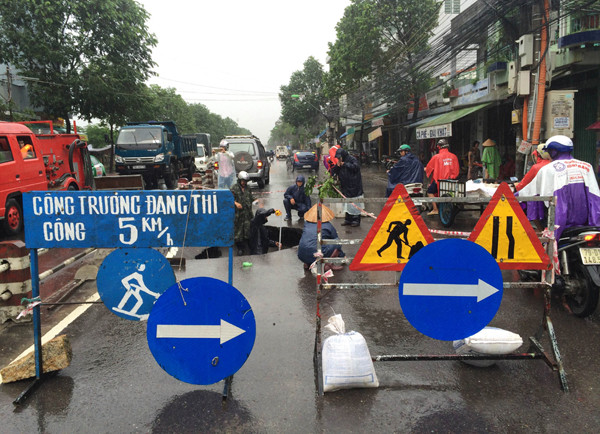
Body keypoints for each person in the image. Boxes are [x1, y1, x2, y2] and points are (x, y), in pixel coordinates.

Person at [519, 135, 600, 239]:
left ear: (553, 151)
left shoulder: (548, 169)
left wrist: (510, 195)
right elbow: (595, 197)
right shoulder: (587, 166)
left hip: (558, 224)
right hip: (586, 225)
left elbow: (530, 192)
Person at [297, 204, 345, 271]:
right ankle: (329, 264)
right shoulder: (328, 225)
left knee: (310, 242)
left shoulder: (307, 224)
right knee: (337, 242)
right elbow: (336, 241)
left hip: (301, 255)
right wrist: (342, 256)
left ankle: (307, 263)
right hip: (316, 255)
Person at [424, 139, 459, 215]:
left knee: (430, 191)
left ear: (439, 147)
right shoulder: (454, 156)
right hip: (451, 181)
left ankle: (435, 209)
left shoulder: (436, 157)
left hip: (439, 181)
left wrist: (425, 169)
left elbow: (429, 168)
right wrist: (452, 176)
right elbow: (457, 170)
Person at [331, 147, 364, 226]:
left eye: (339, 157)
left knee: (355, 203)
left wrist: (345, 164)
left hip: (354, 186)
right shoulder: (340, 162)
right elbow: (334, 171)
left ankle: (356, 220)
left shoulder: (352, 159)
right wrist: (337, 166)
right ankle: (348, 219)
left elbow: (356, 167)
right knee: (347, 204)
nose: (339, 159)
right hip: (345, 186)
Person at [231, 171, 254, 255]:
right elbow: (228, 199)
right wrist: (236, 203)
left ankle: (248, 247)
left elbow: (250, 197)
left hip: (247, 213)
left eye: (245, 181)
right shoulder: (234, 188)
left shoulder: (248, 188)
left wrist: (256, 200)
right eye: (243, 181)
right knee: (238, 232)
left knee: (247, 230)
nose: (244, 183)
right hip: (238, 214)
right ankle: (240, 248)